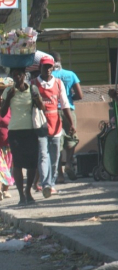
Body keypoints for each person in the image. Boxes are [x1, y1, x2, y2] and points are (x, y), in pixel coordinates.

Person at [32, 56, 75, 199]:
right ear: (40, 68)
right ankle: (46, 185)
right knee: (43, 155)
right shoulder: (33, 84)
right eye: (45, 67)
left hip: (56, 123)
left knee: (55, 156)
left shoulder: (58, 83)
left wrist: (71, 123)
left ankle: (51, 182)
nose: (48, 69)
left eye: (50, 67)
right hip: (40, 124)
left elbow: (64, 105)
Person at [1, 67, 42, 205]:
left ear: (24, 75)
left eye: (19, 74)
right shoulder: (9, 91)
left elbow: (42, 107)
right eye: (14, 75)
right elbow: (2, 113)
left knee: (32, 164)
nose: (17, 77)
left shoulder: (32, 89)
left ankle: (28, 191)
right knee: (17, 164)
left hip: (30, 130)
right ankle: (21, 196)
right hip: (15, 131)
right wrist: (9, 98)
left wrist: (37, 99)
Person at [50, 51, 83, 182]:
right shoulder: (71, 74)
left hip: (53, 112)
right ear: (61, 60)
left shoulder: (49, 76)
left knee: (56, 142)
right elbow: (80, 95)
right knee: (72, 138)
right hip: (68, 110)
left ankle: (60, 175)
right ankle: (69, 163)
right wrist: (70, 99)